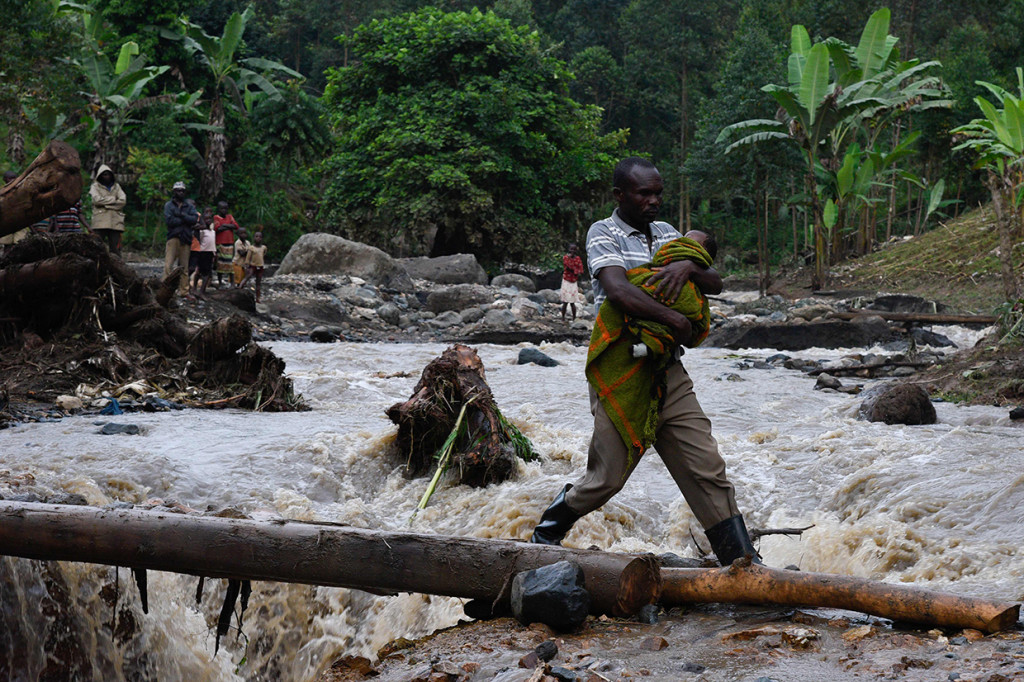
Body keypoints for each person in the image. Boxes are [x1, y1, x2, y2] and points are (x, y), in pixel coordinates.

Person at [529, 157, 761, 568]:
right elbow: (618, 290)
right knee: (606, 478)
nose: (654, 201)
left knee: (706, 467)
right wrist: (676, 320)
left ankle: (741, 561)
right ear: (620, 195)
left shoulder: (669, 234)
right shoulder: (604, 232)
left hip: (667, 368)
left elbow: (714, 282)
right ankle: (544, 537)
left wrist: (688, 265)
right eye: (644, 194)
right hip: (622, 367)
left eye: (658, 193)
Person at [164, 181, 199, 297]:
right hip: (173, 237)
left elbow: (194, 219)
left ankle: (184, 291)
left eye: (183, 191)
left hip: (185, 238)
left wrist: (181, 215)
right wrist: (185, 219)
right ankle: (165, 289)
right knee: (168, 265)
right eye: (178, 191)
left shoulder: (189, 206)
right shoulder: (169, 205)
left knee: (184, 267)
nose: (181, 193)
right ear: (174, 192)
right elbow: (169, 221)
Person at [89, 165, 126, 255]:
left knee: (116, 250)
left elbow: (123, 201)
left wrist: (105, 205)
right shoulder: (95, 187)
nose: (107, 176)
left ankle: (116, 264)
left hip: (115, 222)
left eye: (108, 174)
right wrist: (113, 200)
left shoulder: (117, 187)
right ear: (100, 175)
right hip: (100, 221)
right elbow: (96, 200)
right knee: (96, 248)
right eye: (104, 174)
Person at [0, 171, 31, 252]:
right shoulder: (2, 192)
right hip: (6, 222)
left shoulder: (22, 190)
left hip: (20, 222)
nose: (12, 181)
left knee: (19, 243)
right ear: (5, 179)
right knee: (6, 244)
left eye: (14, 178)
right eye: (10, 178)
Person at [213, 201, 239, 286]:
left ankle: (232, 283)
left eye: (226, 208)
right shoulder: (216, 218)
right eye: (222, 208)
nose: (224, 210)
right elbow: (217, 228)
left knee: (230, 263)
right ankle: (220, 282)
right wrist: (229, 226)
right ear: (218, 209)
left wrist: (224, 225)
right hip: (220, 243)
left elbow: (236, 226)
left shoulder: (230, 217)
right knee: (220, 263)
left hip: (230, 243)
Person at [192, 207, 216, 299]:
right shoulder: (202, 231)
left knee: (206, 272)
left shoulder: (212, 231)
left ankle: (200, 290)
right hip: (203, 252)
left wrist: (214, 252)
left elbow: (212, 243)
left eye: (210, 218)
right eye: (206, 219)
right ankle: (199, 290)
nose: (208, 220)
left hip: (210, 253)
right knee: (202, 273)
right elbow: (200, 241)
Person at [239, 231, 267, 303]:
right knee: (247, 277)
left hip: (260, 266)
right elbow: (248, 258)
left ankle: (258, 298)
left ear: (262, 238)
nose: (258, 238)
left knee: (258, 283)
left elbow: (263, 254)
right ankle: (239, 289)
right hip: (253, 266)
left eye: (260, 237)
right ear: (254, 238)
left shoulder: (263, 247)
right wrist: (247, 265)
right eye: (256, 236)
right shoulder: (251, 248)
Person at [560, 243, 585, 322]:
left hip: (573, 281)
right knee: (565, 301)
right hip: (566, 280)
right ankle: (563, 318)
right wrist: (575, 270)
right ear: (568, 249)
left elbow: (581, 270)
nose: (572, 251)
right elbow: (568, 267)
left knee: (572, 302)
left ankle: (574, 318)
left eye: (574, 249)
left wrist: (575, 270)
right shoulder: (565, 257)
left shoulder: (577, 258)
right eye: (571, 249)